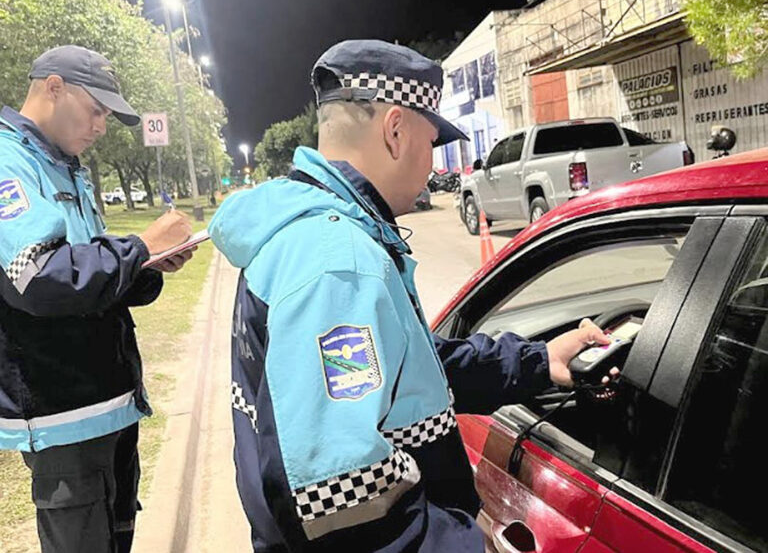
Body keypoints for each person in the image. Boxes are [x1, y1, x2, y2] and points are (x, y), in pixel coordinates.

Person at [209, 39, 613, 551]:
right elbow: (344, 504)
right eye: (431, 142)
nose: (431, 164)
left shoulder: (306, 232)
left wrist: (537, 361)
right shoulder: (337, 261)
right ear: (396, 131)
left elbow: (407, 371)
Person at [0, 45, 194, 553]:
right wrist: (141, 246)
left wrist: (146, 268)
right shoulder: (8, 161)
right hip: (62, 414)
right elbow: (38, 278)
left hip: (109, 404)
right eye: (98, 108)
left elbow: (92, 273)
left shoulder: (67, 167)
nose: (103, 124)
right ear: (54, 87)